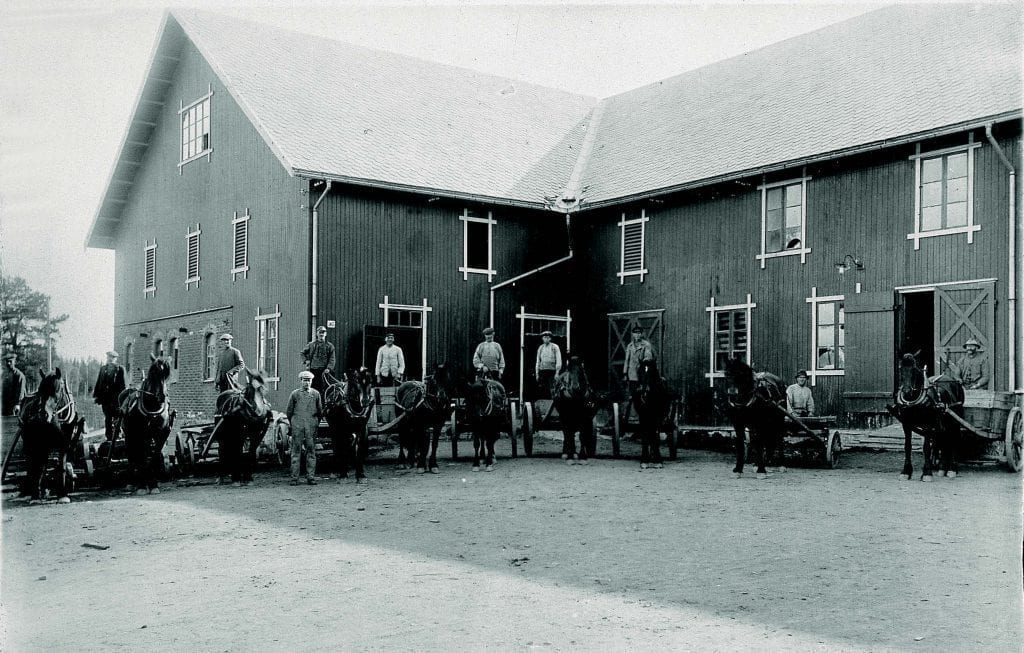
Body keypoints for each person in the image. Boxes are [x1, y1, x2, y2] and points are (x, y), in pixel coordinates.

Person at [286, 370, 322, 485]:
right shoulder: (295, 394)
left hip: (311, 426)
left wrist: (315, 423)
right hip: (298, 426)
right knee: (296, 452)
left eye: (309, 380)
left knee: (311, 451)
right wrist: (294, 424)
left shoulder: (316, 394)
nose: (307, 383)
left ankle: (310, 477)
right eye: (305, 380)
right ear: (301, 381)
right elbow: (289, 412)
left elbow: (320, 412)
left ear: (312, 381)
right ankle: (294, 478)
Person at [92, 350, 126, 439]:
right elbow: (99, 382)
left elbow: (124, 386)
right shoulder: (103, 369)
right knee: (107, 418)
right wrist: (97, 396)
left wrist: (123, 399)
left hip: (116, 400)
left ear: (116, 359)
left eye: (112, 358)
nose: (110, 359)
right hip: (106, 400)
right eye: (109, 357)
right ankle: (109, 437)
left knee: (117, 419)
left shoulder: (120, 369)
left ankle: (117, 436)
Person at [300, 326, 336, 396]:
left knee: (326, 389)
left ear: (326, 334)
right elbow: (302, 353)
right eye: (320, 332)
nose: (321, 334)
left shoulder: (330, 346)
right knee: (312, 389)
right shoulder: (312, 345)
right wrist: (306, 360)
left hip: (324, 372)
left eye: (323, 332)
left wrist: (329, 368)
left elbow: (332, 358)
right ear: (317, 334)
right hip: (313, 371)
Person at [622, 325, 654, 397]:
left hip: (642, 373)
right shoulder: (629, 346)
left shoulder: (646, 344)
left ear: (641, 334)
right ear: (633, 334)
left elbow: (648, 355)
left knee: (644, 393)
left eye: (639, 333)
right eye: (635, 333)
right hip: (632, 373)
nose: (637, 335)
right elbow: (627, 360)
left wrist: (646, 359)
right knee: (633, 394)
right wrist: (625, 373)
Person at [534, 330, 562, 399]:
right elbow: (538, 361)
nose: (546, 339)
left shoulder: (555, 347)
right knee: (543, 389)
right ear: (542, 338)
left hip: (552, 371)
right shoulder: (540, 348)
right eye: (544, 337)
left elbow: (558, 359)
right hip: (542, 371)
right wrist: (537, 373)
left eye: (548, 337)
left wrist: (557, 373)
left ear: (550, 338)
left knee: (552, 388)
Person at [2, 353, 27, 417]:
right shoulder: (4, 374)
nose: (8, 363)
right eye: (7, 361)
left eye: (10, 361)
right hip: (5, 405)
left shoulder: (19, 375)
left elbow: (20, 392)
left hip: (15, 407)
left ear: (15, 362)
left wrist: (18, 404)